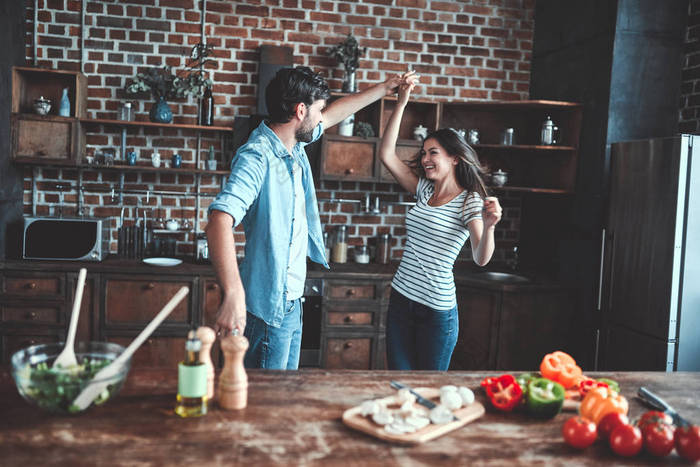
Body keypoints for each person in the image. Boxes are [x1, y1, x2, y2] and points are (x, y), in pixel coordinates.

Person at [206, 66, 407, 369]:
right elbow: (219, 219)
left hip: (291, 304)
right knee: (266, 406)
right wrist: (233, 294)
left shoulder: (294, 143)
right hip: (267, 310)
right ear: (301, 111)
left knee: (285, 398)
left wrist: (385, 87)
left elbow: (333, 115)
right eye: (317, 109)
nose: (321, 116)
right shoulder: (258, 155)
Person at [377, 71, 503, 370]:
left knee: (429, 391)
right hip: (401, 300)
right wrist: (402, 100)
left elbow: (481, 258)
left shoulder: (469, 200)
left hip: (436, 311)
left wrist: (490, 227)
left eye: (433, 153)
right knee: (400, 387)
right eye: (423, 153)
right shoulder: (424, 189)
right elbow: (386, 153)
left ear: (455, 158)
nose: (424, 159)